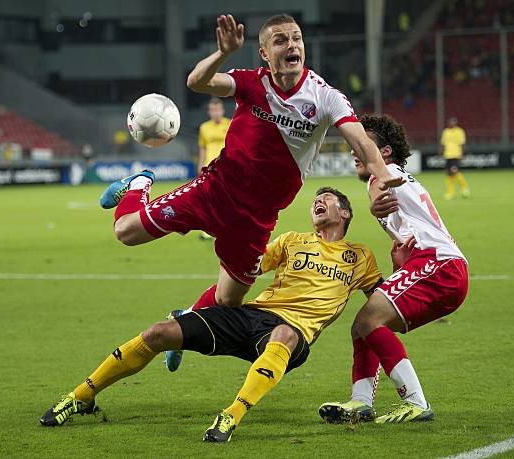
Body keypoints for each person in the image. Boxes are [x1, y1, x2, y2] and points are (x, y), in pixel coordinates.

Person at [98, 14, 401, 315]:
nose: (292, 45)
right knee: (126, 232)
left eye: (296, 38)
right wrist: (223, 52)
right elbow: (197, 81)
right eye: (281, 40)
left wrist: (383, 174)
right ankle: (139, 182)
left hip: (257, 217)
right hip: (216, 191)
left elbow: (361, 141)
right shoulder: (252, 83)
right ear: (265, 53)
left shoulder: (325, 97)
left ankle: (184, 317)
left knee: (229, 299)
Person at [40, 187, 385, 442]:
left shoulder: (360, 257)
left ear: (345, 214)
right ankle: (81, 396)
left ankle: (230, 417)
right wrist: (232, 234)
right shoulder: (293, 240)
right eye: (315, 200)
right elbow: (247, 265)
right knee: (158, 333)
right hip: (251, 316)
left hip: (292, 333)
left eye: (327, 200)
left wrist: (404, 264)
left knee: (284, 335)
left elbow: (384, 303)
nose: (318, 202)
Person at [319, 114, 468, 424]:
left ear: (383, 151)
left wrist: (375, 204)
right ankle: (361, 402)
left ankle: (416, 402)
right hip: (435, 265)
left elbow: (380, 187)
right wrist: (403, 258)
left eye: (362, 143)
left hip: (438, 264)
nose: (353, 150)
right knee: (362, 325)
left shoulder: (383, 172)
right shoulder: (399, 174)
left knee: (369, 319)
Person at [197, 97, 231, 240]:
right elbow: (203, 148)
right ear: (209, 112)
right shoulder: (204, 127)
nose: (215, 112)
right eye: (212, 110)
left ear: (222, 110)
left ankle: (226, 227)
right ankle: (207, 230)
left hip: (226, 166)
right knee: (208, 199)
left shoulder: (230, 124)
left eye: (217, 109)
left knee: (227, 199)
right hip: (209, 167)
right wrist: (200, 163)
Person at [440, 117, 470, 200]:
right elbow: (443, 144)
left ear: (456, 123)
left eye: (453, 122)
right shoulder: (445, 132)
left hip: (456, 154)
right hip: (447, 155)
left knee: (455, 171)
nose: (451, 123)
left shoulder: (460, 131)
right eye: (450, 122)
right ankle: (450, 192)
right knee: (449, 174)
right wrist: (440, 153)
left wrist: (462, 155)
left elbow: (462, 144)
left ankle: (465, 188)